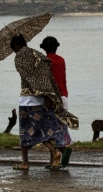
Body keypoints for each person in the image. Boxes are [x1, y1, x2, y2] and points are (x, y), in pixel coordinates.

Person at [10, 34, 78, 171]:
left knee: (29, 132)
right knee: (48, 129)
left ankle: (33, 160)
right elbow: (50, 78)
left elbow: (34, 79)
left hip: (35, 99)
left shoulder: (23, 58)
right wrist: (48, 94)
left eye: (13, 49)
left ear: (16, 46)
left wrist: (47, 95)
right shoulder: (40, 56)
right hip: (57, 96)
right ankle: (54, 157)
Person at [40, 36, 72, 167]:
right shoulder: (61, 60)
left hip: (52, 98)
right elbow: (62, 79)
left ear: (44, 48)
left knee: (49, 130)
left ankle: (63, 151)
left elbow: (47, 82)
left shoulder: (45, 61)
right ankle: (53, 160)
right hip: (63, 97)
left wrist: (47, 98)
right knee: (60, 127)